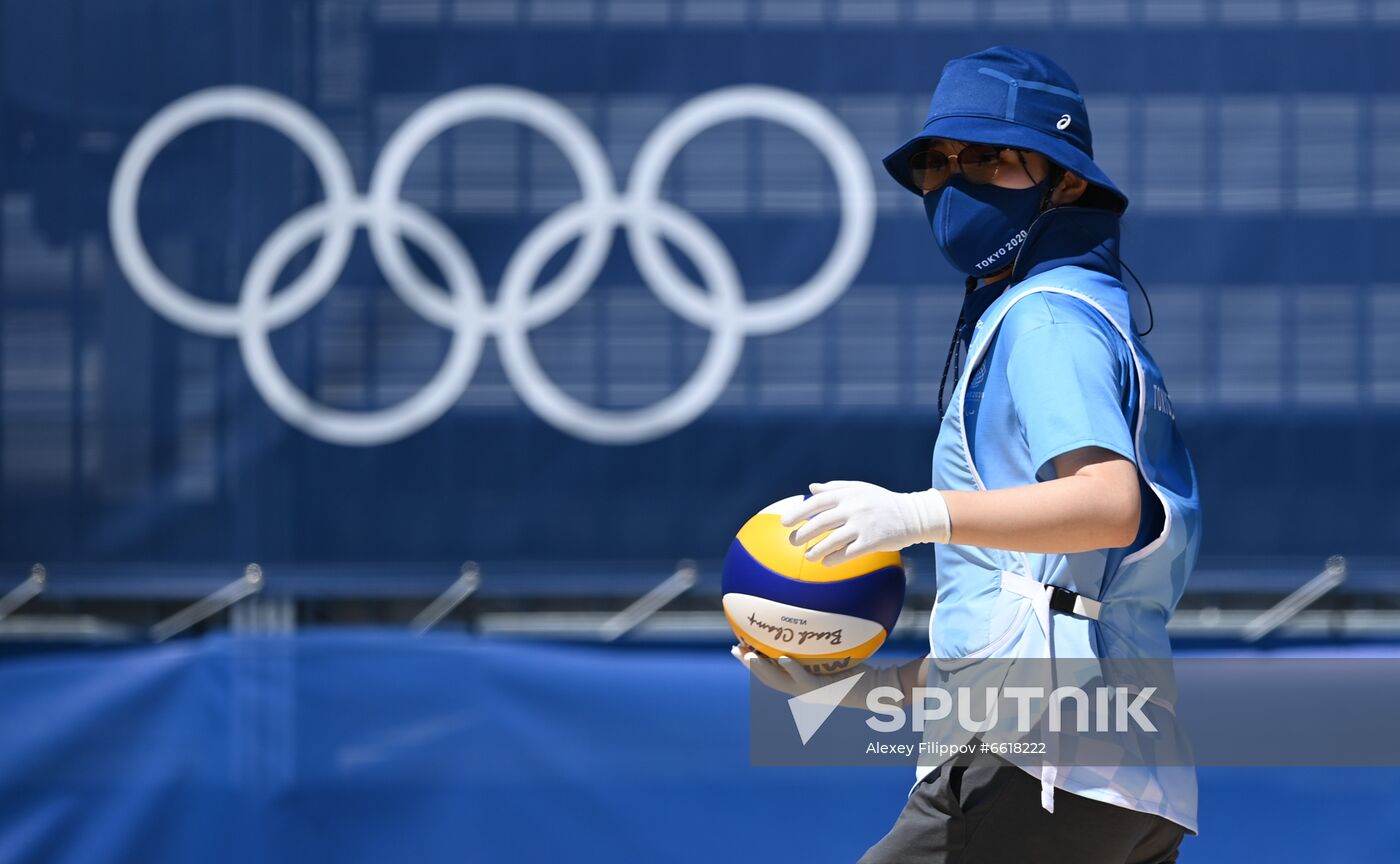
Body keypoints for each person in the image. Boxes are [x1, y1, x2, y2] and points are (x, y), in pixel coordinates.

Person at [733, 46, 1202, 863]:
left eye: (989, 156)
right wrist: (852, 690)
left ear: (1068, 181)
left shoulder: (1047, 320)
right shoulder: (1076, 312)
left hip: (1036, 764)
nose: (955, 181)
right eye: (937, 164)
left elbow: (1108, 504)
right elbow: (1031, 616)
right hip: (1118, 775)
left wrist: (915, 515)